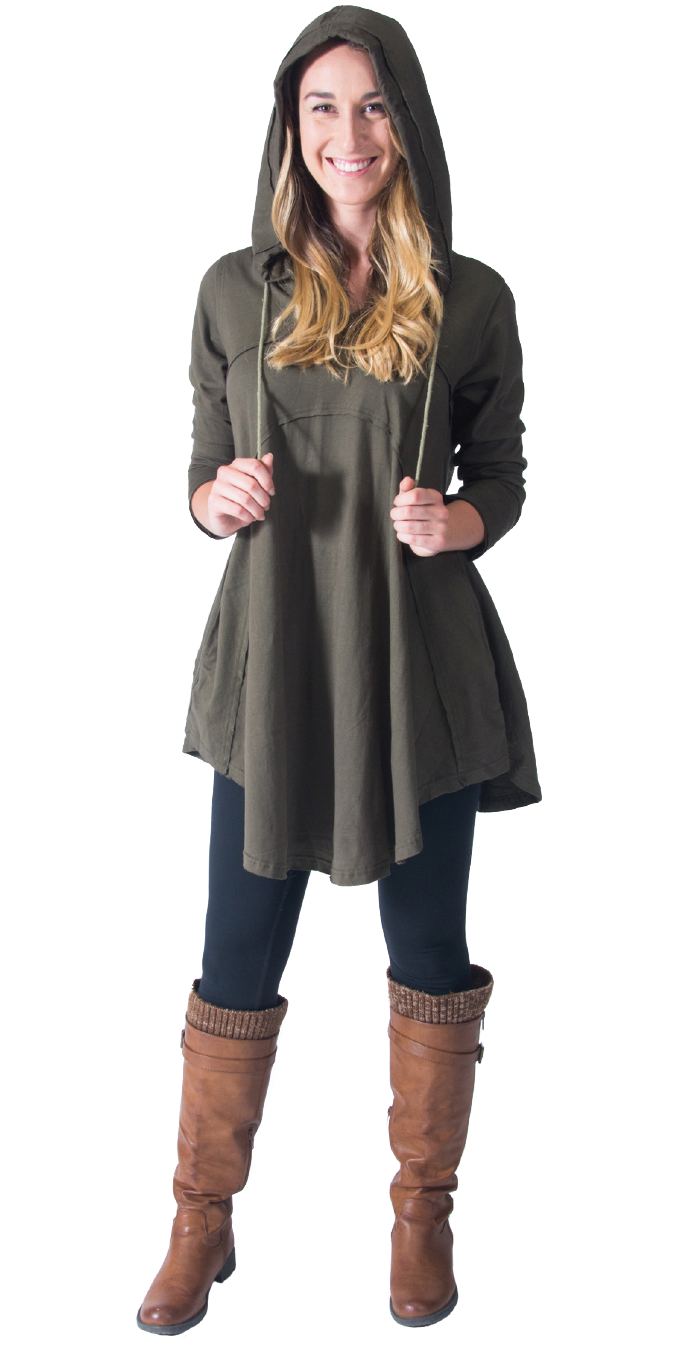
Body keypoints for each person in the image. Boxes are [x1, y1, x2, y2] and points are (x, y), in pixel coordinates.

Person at [134, 7, 541, 1336]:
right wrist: (216, 501)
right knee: (234, 948)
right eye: (321, 106)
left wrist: (456, 521)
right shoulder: (230, 289)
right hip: (275, 661)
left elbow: (504, 480)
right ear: (290, 129)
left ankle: (422, 1217)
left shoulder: (473, 296)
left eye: (371, 106)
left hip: (417, 668)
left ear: (405, 125)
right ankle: (200, 1225)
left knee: (427, 945)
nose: (347, 133)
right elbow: (201, 473)